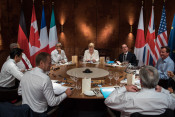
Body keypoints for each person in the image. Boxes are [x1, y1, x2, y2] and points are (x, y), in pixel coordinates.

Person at [105, 66, 175, 117]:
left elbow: (108, 101)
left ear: (140, 81)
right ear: (157, 80)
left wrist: (125, 88)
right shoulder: (166, 98)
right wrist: (163, 90)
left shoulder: (128, 97)